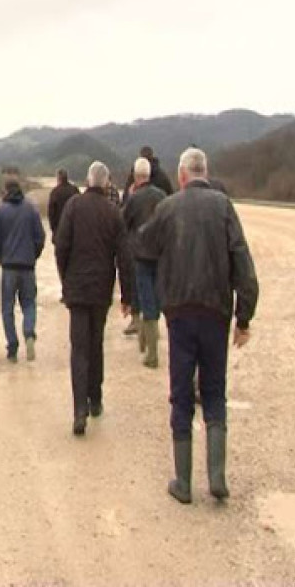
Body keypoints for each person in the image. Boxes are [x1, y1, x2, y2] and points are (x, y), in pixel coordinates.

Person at [140, 148, 258, 504]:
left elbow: (143, 246)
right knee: (214, 391)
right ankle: (217, 477)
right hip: (215, 313)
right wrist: (243, 317)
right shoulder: (224, 207)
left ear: (181, 176)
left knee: (181, 393)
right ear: (206, 172)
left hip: (179, 313)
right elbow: (244, 265)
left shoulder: (169, 207)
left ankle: (183, 482)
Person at [55, 161, 132, 436]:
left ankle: (79, 410)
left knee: (79, 349)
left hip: (77, 288)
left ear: (88, 181)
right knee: (95, 344)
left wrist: (65, 279)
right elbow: (124, 257)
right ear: (107, 183)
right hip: (101, 288)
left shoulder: (73, 207)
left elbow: (61, 246)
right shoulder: (113, 212)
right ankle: (95, 398)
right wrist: (127, 294)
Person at [0, 175, 46, 363]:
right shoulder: (31, 209)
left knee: (7, 308)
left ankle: (12, 347)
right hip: (28, 266)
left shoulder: (0, 212)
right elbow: (40, 238)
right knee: (29, 304)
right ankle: (29, 334)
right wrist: (32, 256)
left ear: (5, 191)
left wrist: (2, 260)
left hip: (9, 268)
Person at [122, 158, 166, 367]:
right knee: (155, 299)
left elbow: (123, 222)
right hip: (159, 254)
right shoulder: (162, 197)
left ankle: (151, 352)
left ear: (137, 176)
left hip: (140, 255)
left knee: (145, 299)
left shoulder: (134, 198)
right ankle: (145, 340)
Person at [47, 168, 79, 242]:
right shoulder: (74, 190)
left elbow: (51, 214)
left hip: (59, 231)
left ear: (58, 178)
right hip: (73, 231)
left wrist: (54, 230)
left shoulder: (55, 192)